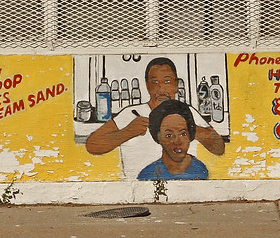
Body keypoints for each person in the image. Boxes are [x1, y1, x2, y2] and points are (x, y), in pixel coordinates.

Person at [85, 57, 225, 179]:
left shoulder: (188, 112)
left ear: (176, 84)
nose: (161, 89)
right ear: (147, 85)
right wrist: (127, 132)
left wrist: (188, 127)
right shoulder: (132, 113)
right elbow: (92, 145)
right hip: (138, 190)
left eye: (167, 81)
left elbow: (219, 148)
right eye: (155, 82)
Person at [137, 99, 209, 181]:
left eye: (183, 134)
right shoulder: (148, 175)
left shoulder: (200, 170)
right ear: (158, 137)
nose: (177, 141)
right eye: (169, 135)